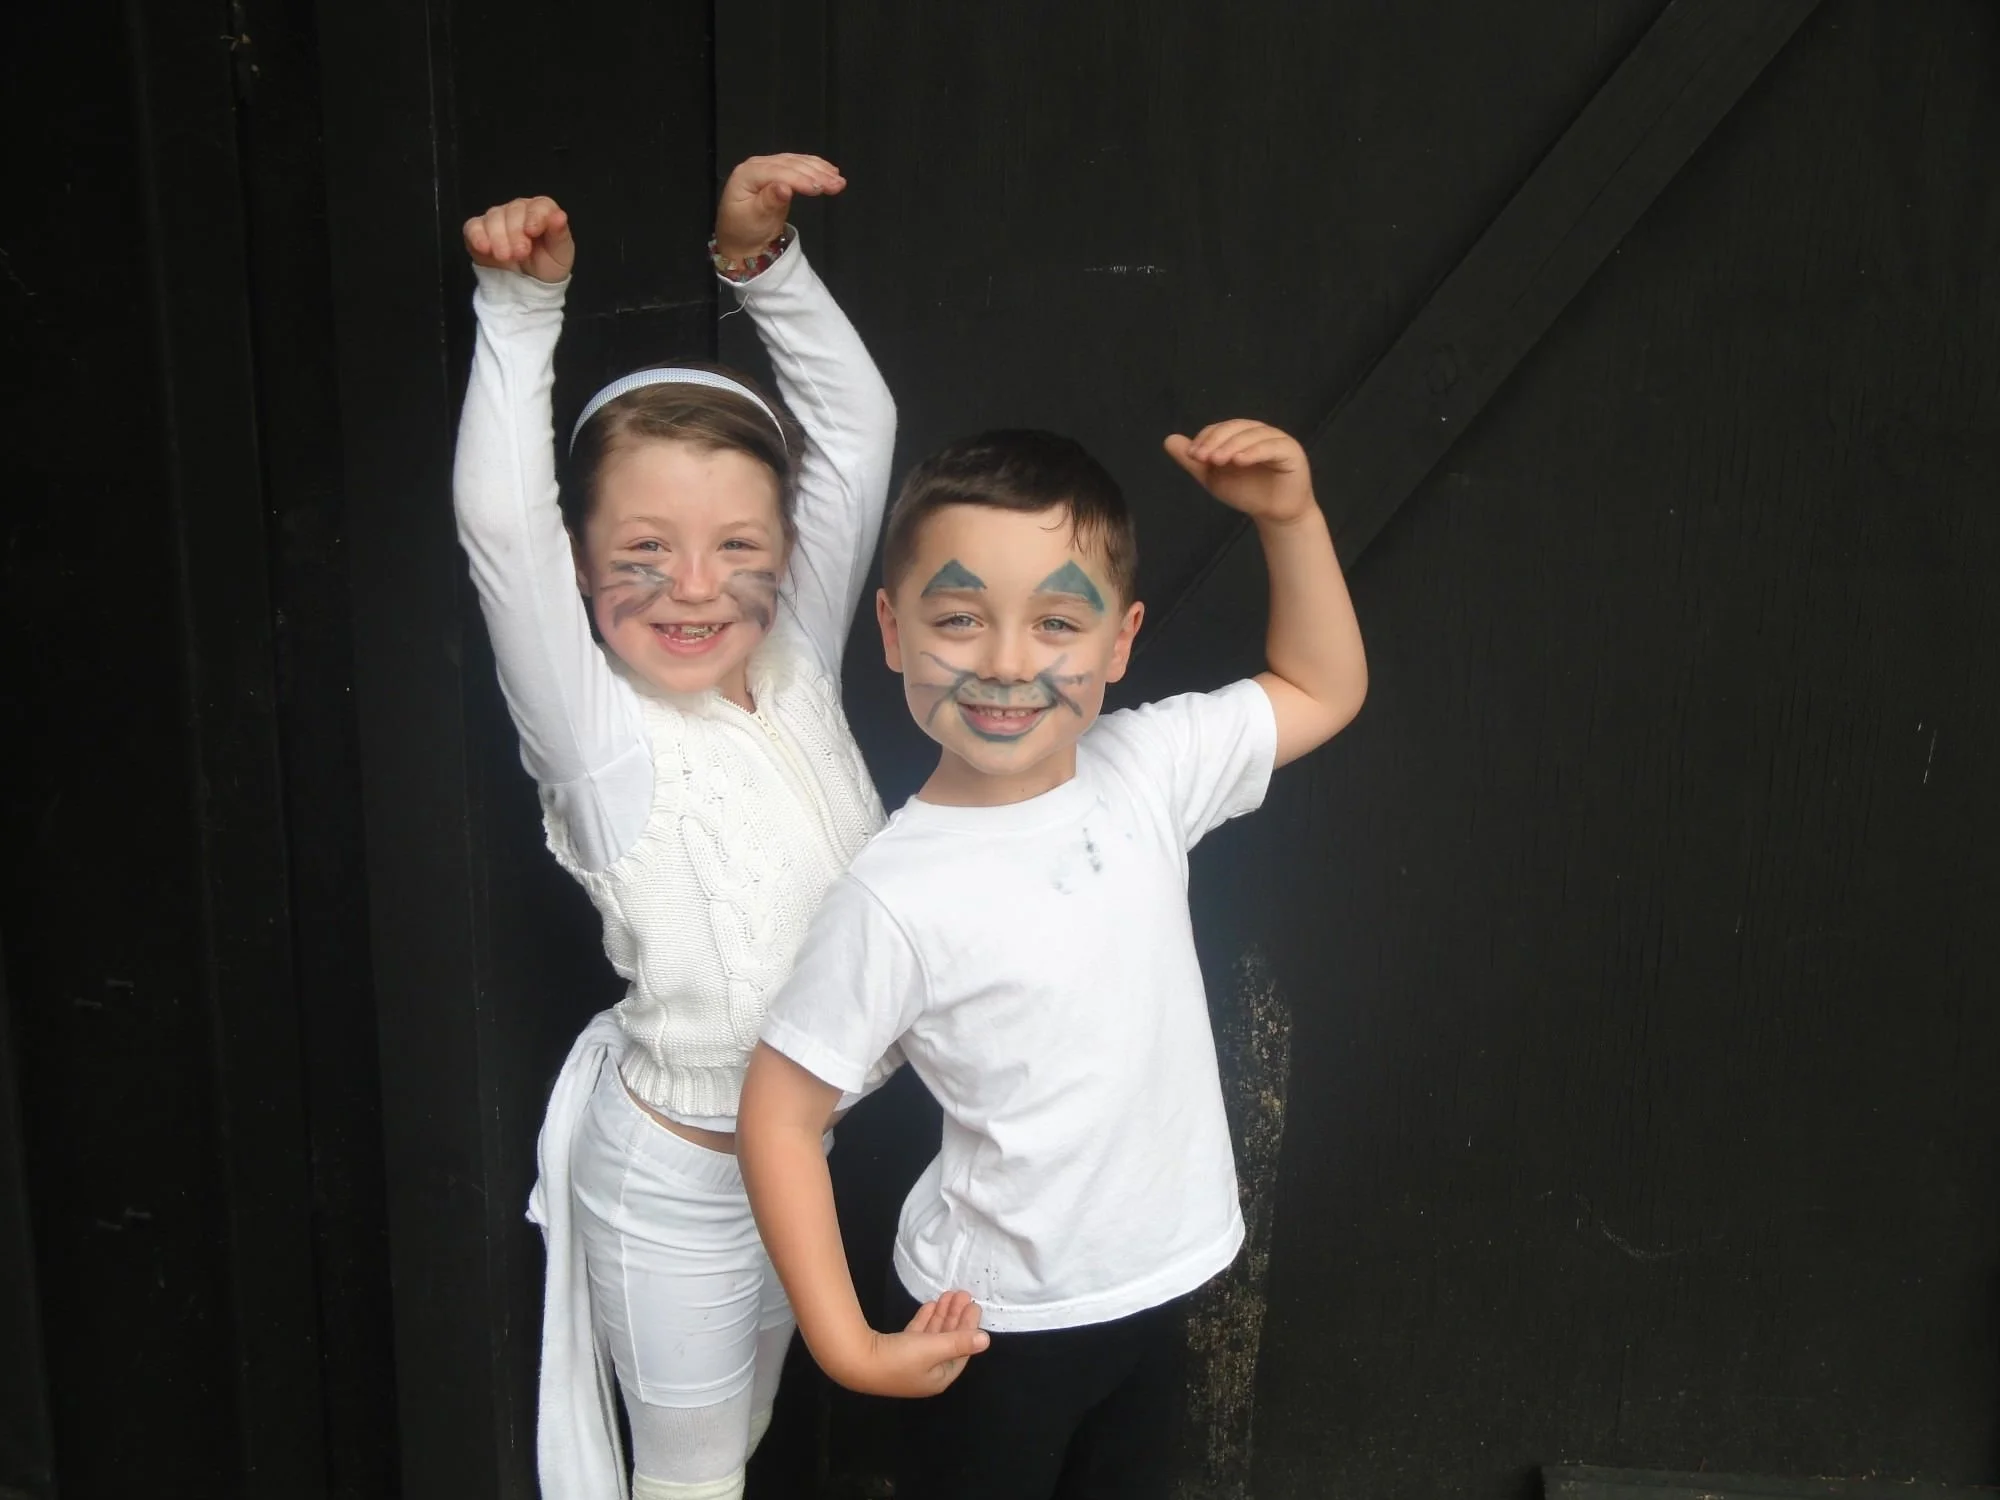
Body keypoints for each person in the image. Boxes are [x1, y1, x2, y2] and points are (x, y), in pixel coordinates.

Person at [453, 156, 972, 1500]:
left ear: (787, 550)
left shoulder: (789, 653)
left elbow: (858, 427)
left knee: (734, 1442)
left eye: (738, 546)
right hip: (677, 1181)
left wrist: (762, 265)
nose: (695, 587)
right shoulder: (599, 734)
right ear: (581, 563)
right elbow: (497, 527)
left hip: (797, 1162)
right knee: (692, 1478)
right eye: (643, 552)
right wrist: (519, 320)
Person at [737, 421, 1368, 1498]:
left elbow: (1321, 689)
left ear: (1118, 643)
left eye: (1056, 621)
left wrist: (1290, 521)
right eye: (959, 617)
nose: (1006, 662)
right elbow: (779, 1115)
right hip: (992, 1332)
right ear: (891, 630)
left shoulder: (1146, 768)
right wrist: (846, 1343)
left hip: (1159, 1284)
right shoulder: (894, 894)